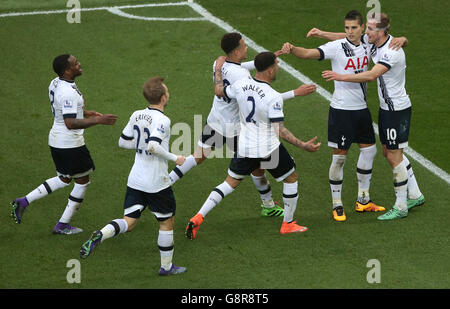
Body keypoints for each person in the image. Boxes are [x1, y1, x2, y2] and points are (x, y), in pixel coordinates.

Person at [185, 51, 320, 239]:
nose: (278, 68)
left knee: (229, 183)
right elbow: (280, 130)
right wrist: (303, 145)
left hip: (244, 147)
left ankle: (199, 216)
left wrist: (218, 71)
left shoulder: (240, 85)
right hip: (267, 148)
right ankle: (288, 224)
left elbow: (219, 90)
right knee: (291, 178)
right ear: (271, 70)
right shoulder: (272, 97)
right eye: (277, 66)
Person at [168, 32, 302, 218]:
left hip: (215, 121)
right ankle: (268, 204)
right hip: (235, 129)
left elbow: (251, 65)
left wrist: (276, 54)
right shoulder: (244, 78)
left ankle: (166, 183)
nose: (247, 48)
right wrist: (295, 92)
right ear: (237, 50)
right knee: (258, 164)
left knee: (197, 156)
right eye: (244, 45)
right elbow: (263, 91)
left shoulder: (219, 64)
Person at [281, 10, 391, 222]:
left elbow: (390, 39)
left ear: (362, 29)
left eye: (354, 28)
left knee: (370, 152)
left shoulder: (369, 44)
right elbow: (308, 54)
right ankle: (337, 203)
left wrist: (402, 40)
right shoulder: (336, 47)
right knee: (339, 158)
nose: (349, 32)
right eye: (347, 28)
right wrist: (293, 49)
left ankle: (363, 200)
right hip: (341, 111)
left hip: (361, 110)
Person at [322, 13, 424, 220]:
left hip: (396, 110)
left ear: (381, 31)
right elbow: (348, 37)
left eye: (369, 29)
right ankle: (415, 194)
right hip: (388, 109)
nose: (365, 32)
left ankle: (401, 206)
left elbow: (371, 75)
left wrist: (341, 76)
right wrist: (322, 34)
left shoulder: (391, 51)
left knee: (394, 156)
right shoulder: (378, 42)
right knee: (389, 152)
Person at [80, 76, 187, 276]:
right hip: (156, 182)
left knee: (129, 222)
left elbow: (122, 141)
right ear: (163, 98)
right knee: (166, 222)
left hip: (136, 178)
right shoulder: (163, 120)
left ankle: (101, 235)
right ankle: (166, 267)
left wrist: (141, 146)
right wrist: (176, 158)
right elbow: (154, 146)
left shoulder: (137, 114)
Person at [10, 54, 117, 234]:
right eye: (76, 63)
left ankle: (23, 201)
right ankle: (62, 225)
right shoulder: (67, 92)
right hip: (70, 145)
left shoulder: (55, 82)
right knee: (82, 182)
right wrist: (99, 121)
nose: (79, 64)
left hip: (57, 141)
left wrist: (88, 113)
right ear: (67, 70)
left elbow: (66, 111)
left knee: (65, 178)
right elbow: (70, 122)